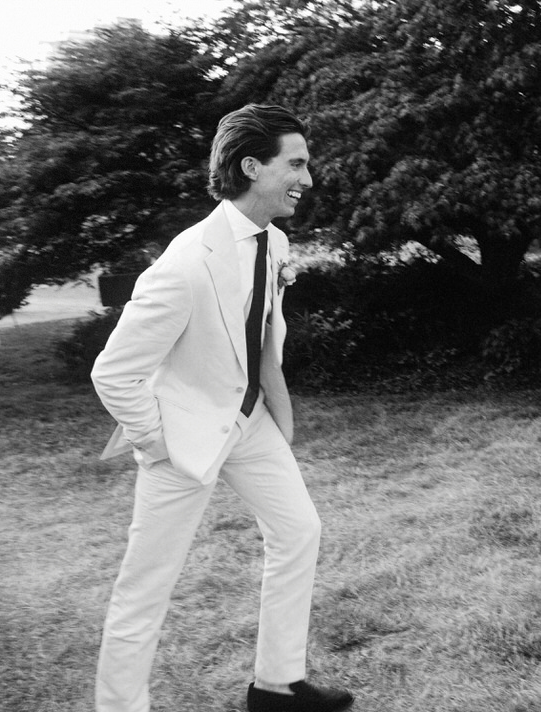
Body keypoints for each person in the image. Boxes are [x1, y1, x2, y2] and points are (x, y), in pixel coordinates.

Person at [91, 104, 353, 712]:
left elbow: (255, 335)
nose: (307, 179)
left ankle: (276, 687)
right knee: (146, 587)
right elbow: (115, 371)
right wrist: (158, 441)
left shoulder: (276, 239)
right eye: (296, 163)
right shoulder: (185, 264)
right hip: (181, 439)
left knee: (298, 529)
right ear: (251, 166)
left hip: (249, 419)